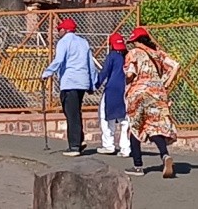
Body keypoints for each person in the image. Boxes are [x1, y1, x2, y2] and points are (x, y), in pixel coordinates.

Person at [122, 26, 181, 178]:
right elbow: (175, 65)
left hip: (139, 94)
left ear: (137, 41)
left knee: (135, 128)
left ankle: (138, 166)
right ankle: (164, 155)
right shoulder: (158, 54)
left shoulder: (133, 53)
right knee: (153, 127)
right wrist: (165, 84)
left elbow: (130, 74)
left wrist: (126, 80)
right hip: (157, 94)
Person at [40, 17, 97, 156]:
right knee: (76, 111)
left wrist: (47, 73)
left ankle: (74, 146)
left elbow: (59, 60)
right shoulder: (84, 42)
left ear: (65, 30)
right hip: (82, 81)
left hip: (70, 81)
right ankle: (79, 139)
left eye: (60, 29)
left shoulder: (64, 42)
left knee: (71, 113)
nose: (58, 31)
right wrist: (92, 82)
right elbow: (91, 63)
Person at [96, 32, 131, 157]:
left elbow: (105, 72)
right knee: (124, 120)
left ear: (111, 44)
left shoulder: (111, 56)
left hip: (111, 89)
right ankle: (125, 148)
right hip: (126, 89)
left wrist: (96, 84)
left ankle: (108, 145)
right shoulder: (128, 55)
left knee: (105, 116)